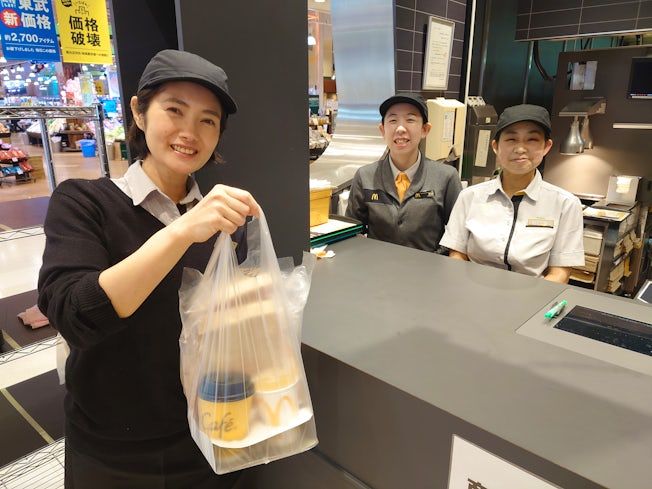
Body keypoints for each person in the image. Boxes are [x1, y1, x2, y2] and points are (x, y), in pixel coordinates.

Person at [38, 50, 260, 488]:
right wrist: (182, 231)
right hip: (115, 451)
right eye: (174, 110)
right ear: (139, 112)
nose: (189, 132)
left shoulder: (226, 220)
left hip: (209, 436)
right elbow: (74, 314)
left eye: (208, 120)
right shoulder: (84, 202)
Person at [439, 104, 584, 283]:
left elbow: (560, 273)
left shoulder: (565, 204)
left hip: (533, 295)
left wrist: (534, 299)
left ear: (546, 146)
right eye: (511, 139)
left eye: (532, 139)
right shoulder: (469, 197)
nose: (520, 149)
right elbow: (457, 255)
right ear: (495, 146)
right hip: (472, 291)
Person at [345, 93, 462, 252]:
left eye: (410, 120)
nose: (400, 128)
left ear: (425, 129)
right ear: (382, 130)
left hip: (428, 266)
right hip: (377, 265)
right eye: (393, 120)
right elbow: (350, 232)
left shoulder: (446, 177)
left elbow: (458, 237)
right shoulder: (365, 176)